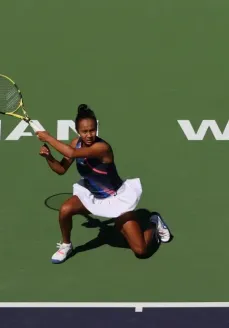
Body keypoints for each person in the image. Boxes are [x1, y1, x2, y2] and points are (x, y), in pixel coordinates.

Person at [36, 104, 171, 263]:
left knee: (141, 251)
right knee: (65, 210)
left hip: (116, 199)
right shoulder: (75, 143)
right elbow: (60, 169)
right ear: (78, 131)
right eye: (84, 131)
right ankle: (66, 245)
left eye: (92, 130)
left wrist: (48, 137)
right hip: (91, 195)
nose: (89, 135)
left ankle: (153, 223)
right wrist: (49, 158)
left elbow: (71, 153)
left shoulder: (102, 148)